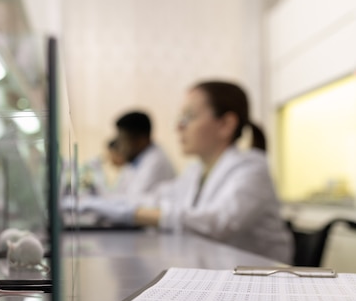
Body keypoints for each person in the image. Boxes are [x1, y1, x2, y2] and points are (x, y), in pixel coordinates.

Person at [81, 81, 293, 263]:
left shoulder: (252, 167)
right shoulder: (196, 171)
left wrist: (132, 213)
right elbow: (156, 198)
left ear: (226, 124)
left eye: (188, 117)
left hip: (262, 284)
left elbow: (218, 222)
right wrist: (101, 205)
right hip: (218, 272)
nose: (179, 127)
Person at [109, 111, 176, 199]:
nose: (120, 147)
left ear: (141, 140)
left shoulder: (156, 162)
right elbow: (118, 194)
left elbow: (132, 201)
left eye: (123, 140)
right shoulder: (134, 162)